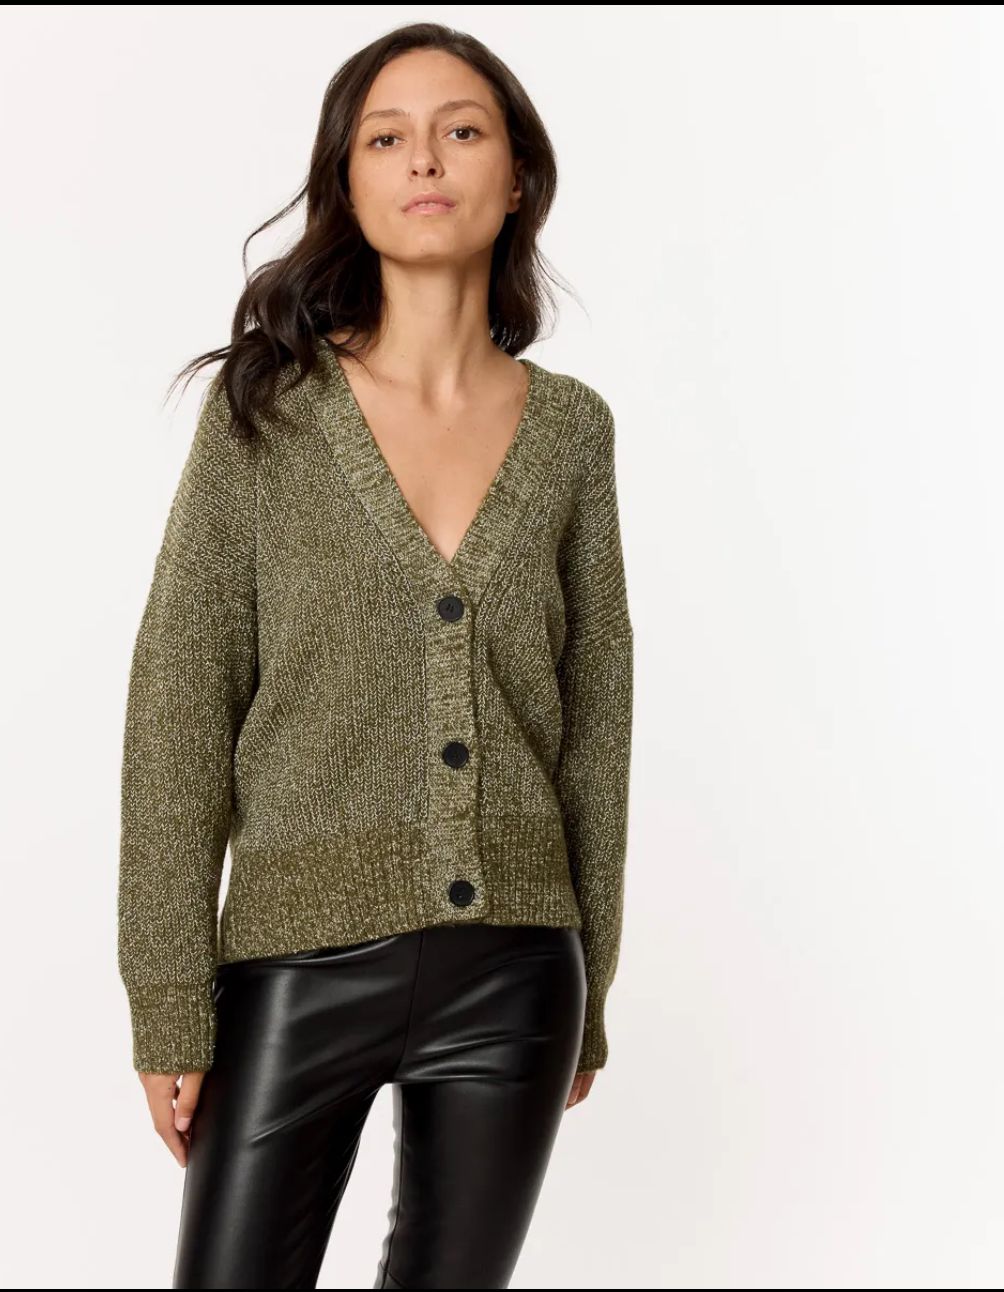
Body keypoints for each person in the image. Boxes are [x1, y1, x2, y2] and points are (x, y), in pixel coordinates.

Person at [117, 21, 635, 1290]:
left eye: (462, 130)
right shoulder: (266, 413)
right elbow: (180, 697)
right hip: (293, 964)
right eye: (386, 138)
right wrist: (169, 991)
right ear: (346, 184)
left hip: (517, 965)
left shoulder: (573, 433)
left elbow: (598, 720)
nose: (425, 160)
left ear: (516, 176)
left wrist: (594, 988)